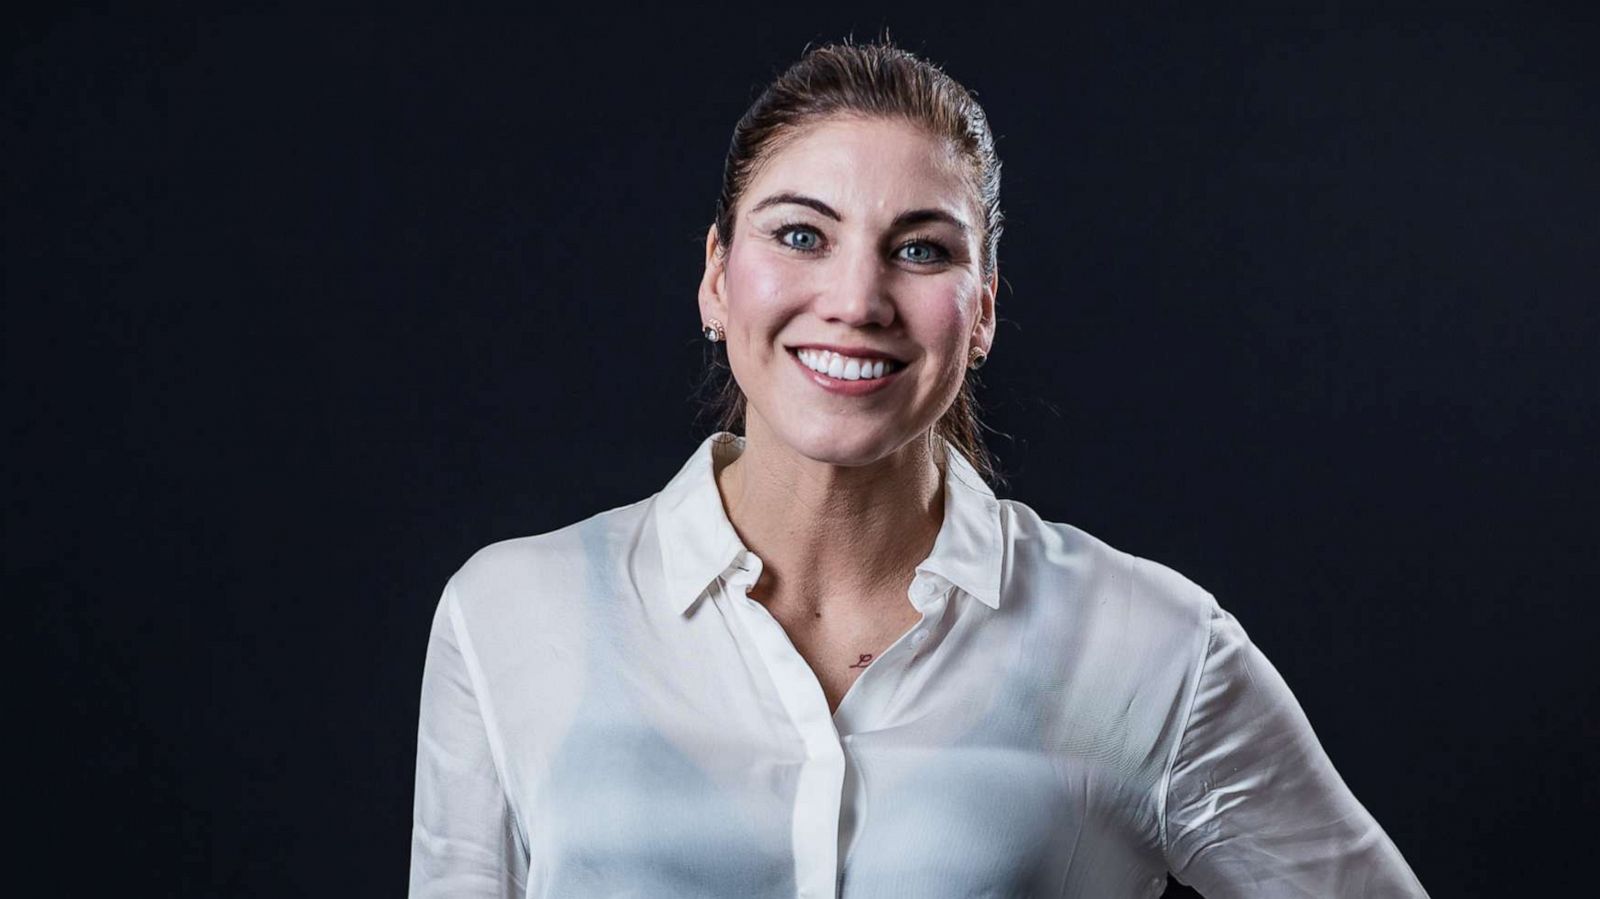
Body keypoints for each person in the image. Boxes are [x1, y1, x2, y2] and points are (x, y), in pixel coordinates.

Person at [409, 38, 1429, 898]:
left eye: (921, 250)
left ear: (980, 311)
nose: (855, 298)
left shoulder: (1148, 648)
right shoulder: (512, 612)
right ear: (718, 279)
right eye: (800, 234)